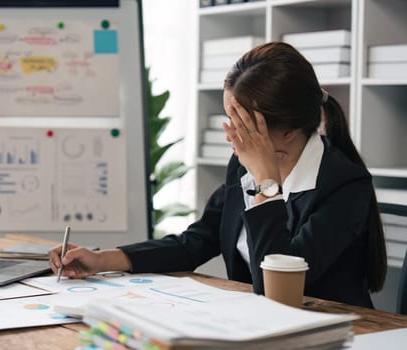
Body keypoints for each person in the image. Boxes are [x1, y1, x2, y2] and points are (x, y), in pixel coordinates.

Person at [48, 42, 387, 308]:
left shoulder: (344, 185)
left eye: (240, 124)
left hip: (337, 333)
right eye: (227, 117)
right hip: (258, 326)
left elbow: (280, 287)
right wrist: (103, 259)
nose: (229, 134)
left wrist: (268, 184)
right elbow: (196, 241)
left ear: (288, 131)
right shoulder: (242, 164)